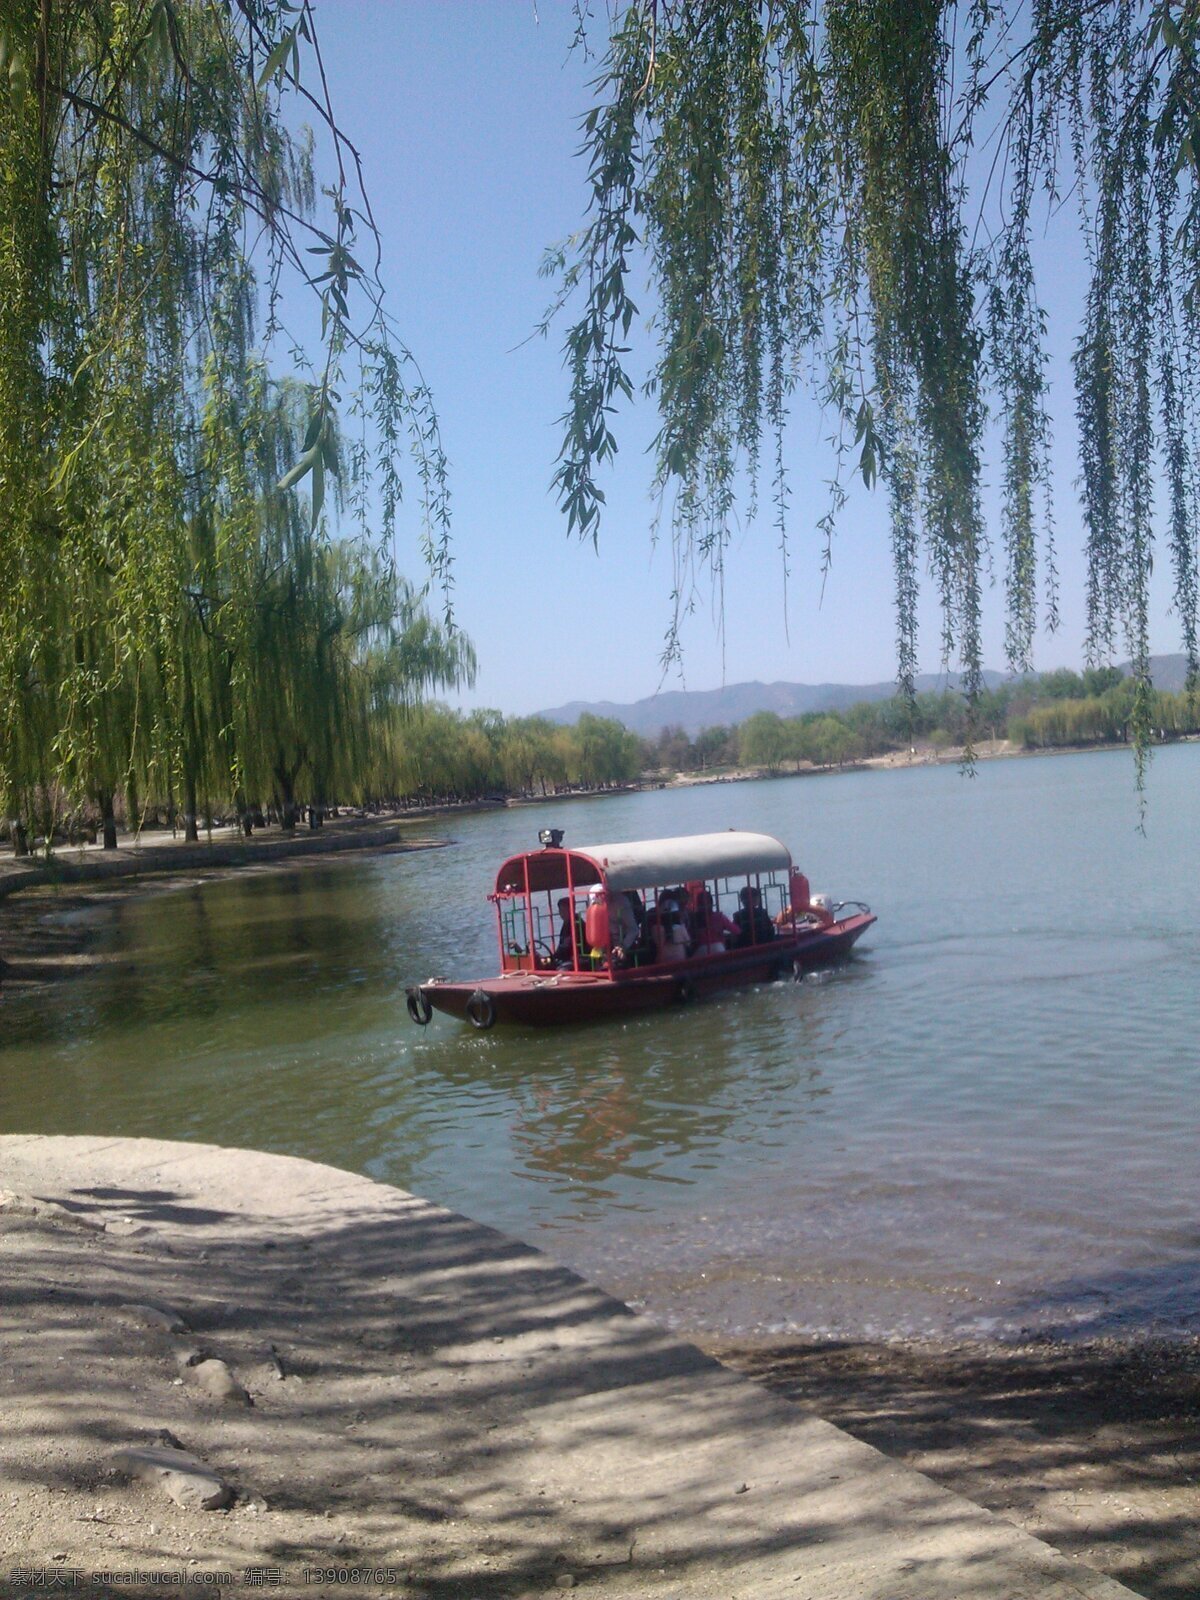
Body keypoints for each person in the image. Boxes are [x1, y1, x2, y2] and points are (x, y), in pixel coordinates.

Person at [690, 887, 739, 956]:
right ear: (712, 903)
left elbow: (689, 937)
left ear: (697, 904)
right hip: (719, 947)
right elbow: (736, 930)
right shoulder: (719, 916)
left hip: (701, 949)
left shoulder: (693, 918)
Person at [552, 896, 585, 967]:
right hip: (568, 957)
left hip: (578, 958)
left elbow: (567, 945)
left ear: (571, 909)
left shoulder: (576, 923)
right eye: (560, 910)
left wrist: (554, 956)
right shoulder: (567, 923)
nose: (561, 913)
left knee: (560, 968)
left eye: (564, 910)